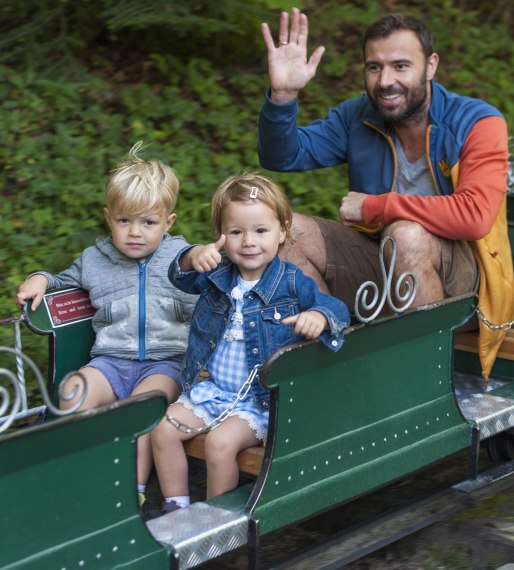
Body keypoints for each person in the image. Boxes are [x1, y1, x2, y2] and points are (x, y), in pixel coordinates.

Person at [258, 8, 513, 379]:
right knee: (288, 230)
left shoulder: (477, 121)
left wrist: (377, 206)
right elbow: (283, 154)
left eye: (400, 66)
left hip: (470, 284)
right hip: (384, 265)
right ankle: (324, 369)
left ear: (431, 66)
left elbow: (474, 217)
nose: (385, 80)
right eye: (374, 67)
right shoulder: (359, 117)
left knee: (405, 234)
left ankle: (420, 386)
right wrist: (282, 96)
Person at [150, 172, 349, 513]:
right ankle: (177, 510)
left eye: (261, 231)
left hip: (258, 402)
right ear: (221, 235)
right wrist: (190, 257)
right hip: (210, 391)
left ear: (282, 230)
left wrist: (318, 316)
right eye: (237, 232)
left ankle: (216, 519)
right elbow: (180, 277)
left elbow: (337, 309)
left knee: (219, 444)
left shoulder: (290, 282)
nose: (249, 242)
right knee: (163, 431)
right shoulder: (216, 276)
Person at [16, 142, 198, 508]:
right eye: (124, 221)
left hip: (166, 363)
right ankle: (82, 473)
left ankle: (132, 490)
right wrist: (40, 278)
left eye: (148, 222)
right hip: (110, 362)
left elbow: (214, 300)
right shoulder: (94, 260)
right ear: (108, 217)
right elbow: (63, 280)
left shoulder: (183, 259)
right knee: (73, 391)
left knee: (142, 405)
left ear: (168, 222)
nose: (135, 232)